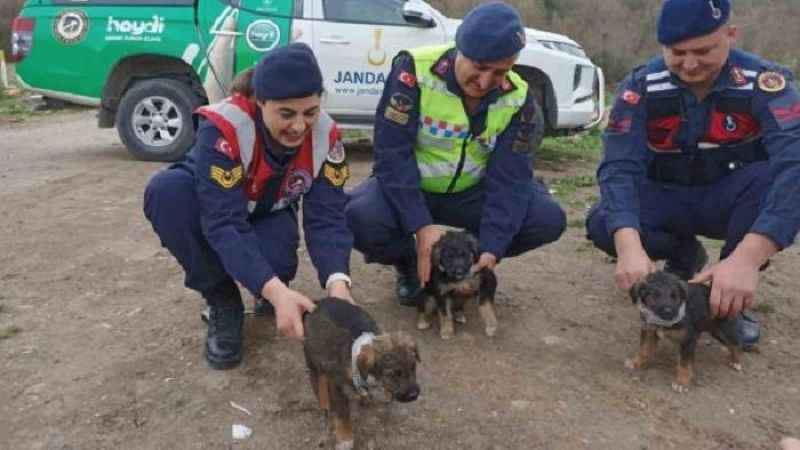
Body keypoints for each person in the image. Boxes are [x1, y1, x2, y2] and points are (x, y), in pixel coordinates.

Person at [586, 0, 800, 349]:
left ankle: (727, 296)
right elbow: (619, 167)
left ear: (730, 35)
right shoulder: (641, 87)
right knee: (602, 222)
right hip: (666, 195)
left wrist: (748, 259)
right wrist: (628, 246)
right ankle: (684, 257)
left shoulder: (763, 84)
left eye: (703, 51)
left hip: (729, 202)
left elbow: (794, 165)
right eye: (677, 52)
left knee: (770, 180)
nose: (689, 64)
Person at [143, 43, 354, 370]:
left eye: (310, 112)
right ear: (260, 102)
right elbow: (224, 222)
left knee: (276, 265)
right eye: (286, 114)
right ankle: (222, 300)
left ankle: (267, 288)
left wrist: (338, 283)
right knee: (166, 193)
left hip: (267, 209)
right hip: (214, 206)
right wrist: (276, 292)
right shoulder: (224, 126)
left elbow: (328, 216)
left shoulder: (327, 135)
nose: (300, 126)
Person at [345, 1, 566, 306]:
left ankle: (463, 261)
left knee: (546, 218)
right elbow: (392, 156)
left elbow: (510, 181)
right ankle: (410, 266)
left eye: (500, 72)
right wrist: (421, 226)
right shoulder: (414, 71)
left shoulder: (519, 99)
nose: (486, 82)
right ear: (459, 49)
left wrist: (492, 247)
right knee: (359, 217)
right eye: (480, 67)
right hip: (413, 188)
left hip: (471, 195)